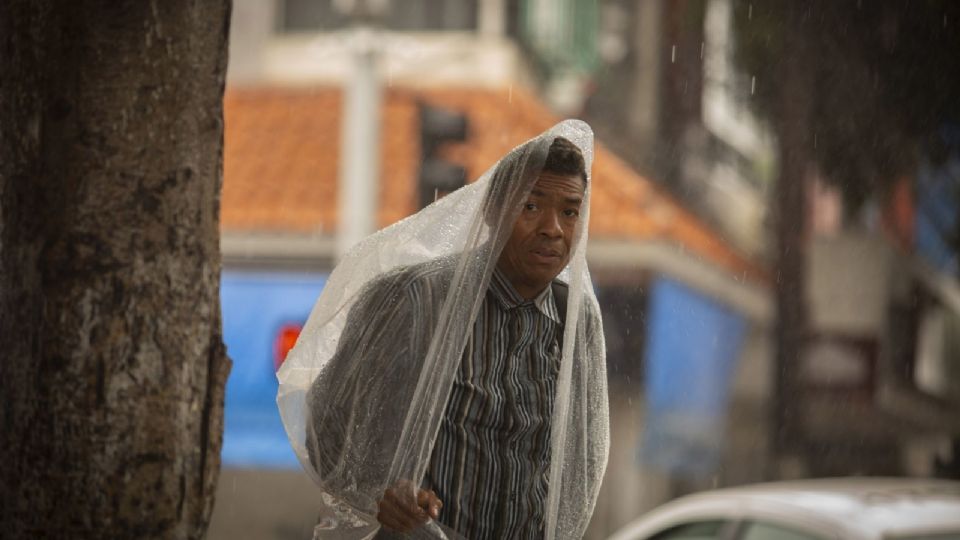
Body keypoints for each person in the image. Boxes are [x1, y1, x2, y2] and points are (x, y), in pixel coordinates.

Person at [278, 121, 609, 540]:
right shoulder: (416, 299)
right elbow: (328, 423)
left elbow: (581, 462)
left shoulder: (575, 320)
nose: (552, 228)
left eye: (570, 211)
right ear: (492, 211)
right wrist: (383, 491)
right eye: (531, 206)